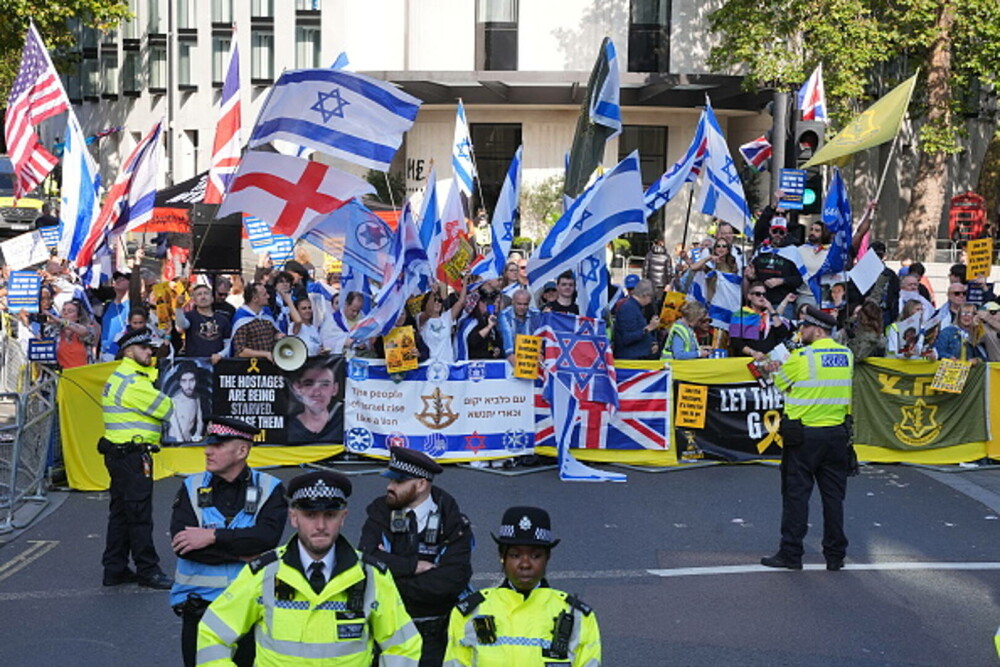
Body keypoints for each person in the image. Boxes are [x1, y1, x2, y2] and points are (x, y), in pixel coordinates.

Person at [196, 470, 423, 665]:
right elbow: (212, 635)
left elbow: (403, 646)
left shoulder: (372, 575)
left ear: (343, 518)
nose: (321, 525)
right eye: (310, 515)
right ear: (293, 517)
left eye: (330, 515)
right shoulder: (264, 573)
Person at [170, 417, 287, 667]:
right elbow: (184, 546)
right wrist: (241, 551)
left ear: (242, 451)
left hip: (252, 609)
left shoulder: (270, 488)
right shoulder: (190, 486)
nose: (207, 450)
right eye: (208, 444)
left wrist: (212, 537)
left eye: (218, 445)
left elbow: (266, 539)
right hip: (199, 608)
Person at [444, 506, 601, 666]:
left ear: (547, 557)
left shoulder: (578, 617)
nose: (525, 564)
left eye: (535, 555)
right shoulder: (469, 613)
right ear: (502, 556)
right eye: (515, 555)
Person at [359, 448, 473, 666]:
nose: (389, 487)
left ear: (421, 484)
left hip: (436, 635)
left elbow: (452, 580)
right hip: (387, 634)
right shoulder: (380, 511)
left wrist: (392, 578)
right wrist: (413, 566)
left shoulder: (452, 519)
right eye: (390, 480)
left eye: (398, 482)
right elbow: (366, 561)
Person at [761, 306, 854, 571]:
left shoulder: (802, 356)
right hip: (837, 435)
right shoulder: (846, 355)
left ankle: (791, 554)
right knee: (833, 498)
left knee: (796, 496)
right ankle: (835, 556)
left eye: (805, 327)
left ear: (819, 329)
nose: (801, 332)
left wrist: (775, 368)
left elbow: (779, 383)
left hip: (803, 436)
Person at [99, 327, 174, 589]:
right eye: (144, 348)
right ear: (129, 351)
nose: (150, 352)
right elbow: (166, 407)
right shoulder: (134, 382)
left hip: (120, 455)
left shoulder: (122, 376)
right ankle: (148, 570)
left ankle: (115, 568)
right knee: (139, 515)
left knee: (121, 513)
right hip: (132, 457)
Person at [287, 356, 344, 444]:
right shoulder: (286, 426)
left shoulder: (344, 423)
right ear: (297, 388)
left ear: (335, 389)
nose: (317, 393)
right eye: (308, 384)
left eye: (325, 384)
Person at [175, 283, 231, 361]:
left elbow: (228, 343)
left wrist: (221, 355)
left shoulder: (223, 319)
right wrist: (178, 307)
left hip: (216, 364)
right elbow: (181, 325)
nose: (203, 297)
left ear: (212, 298)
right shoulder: (190, 316)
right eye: (199, 294)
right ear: (194, 300)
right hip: (194, 364)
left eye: (206, 293)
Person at [229, 282, 283, 360]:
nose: (268, 296)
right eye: (264, 295)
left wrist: (277, 336)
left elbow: (273, 333)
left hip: (269, 365)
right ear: (254, 299)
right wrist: (265, 354)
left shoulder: (266, 314)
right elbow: (240, 351)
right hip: (250, 367)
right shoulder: (241, 319)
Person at [419, 282, 468, 365]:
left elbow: (461, 302)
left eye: (440, 301)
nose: (437, 303)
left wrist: (465, 281)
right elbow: (429, 312)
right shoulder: (421, 319)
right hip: (428, 366)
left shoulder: (447, 317)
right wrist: (432, 293)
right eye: (435, 301)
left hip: (447, 364)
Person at [612, 278, 659, 360]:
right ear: (645, 295)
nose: (650, 301)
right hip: (631, 359)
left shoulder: (636, 308)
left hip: (639, 355)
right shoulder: (628, 309)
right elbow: (627, 338)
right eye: (651, 297)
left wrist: (652, 343)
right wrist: (649, 328)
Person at [165, 361, 210, 442]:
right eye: (184, 381)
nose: (188, 386)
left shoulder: (197, 398)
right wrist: (179, 439)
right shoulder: (174, 400)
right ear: (180, 382)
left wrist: (197, 434)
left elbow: (200, 420)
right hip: (174, 438)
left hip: (189, 439)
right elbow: (174, 422)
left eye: (192, 380)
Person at [457, 287, 503, 361]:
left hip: (489, 363)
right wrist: (488, 327)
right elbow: (473, 341)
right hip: (473, 364)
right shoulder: (470, 323)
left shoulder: (488, 320)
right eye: (483, 302)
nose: (486, 304)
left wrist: (495, 349)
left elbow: (491, 342)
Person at [499, 288, 541, 366]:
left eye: (525, 304)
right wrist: (510, 354)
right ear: (513, 302)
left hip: (530, 355)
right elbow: (506, 334)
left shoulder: (536, 314)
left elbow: (538, 334)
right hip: (511, 355)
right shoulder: (504, 314)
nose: (522, 307)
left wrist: (540, 352)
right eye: (519, 304)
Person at [55, 298, 99, 368]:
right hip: (62, 375)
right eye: (63, 310)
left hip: (83, 374)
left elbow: (87, 334)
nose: (65, 313)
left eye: (70, 311)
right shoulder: (54, 332)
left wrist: (63, 322)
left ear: (78, 317)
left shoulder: (87, 330)